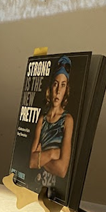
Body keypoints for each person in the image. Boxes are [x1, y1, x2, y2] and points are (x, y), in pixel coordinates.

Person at [29, 56, 74, 192]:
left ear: (66, 89)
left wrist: (41, 157)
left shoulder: (67, 120)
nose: (58, 90)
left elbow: (61, 170)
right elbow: (31, 162)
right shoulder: (42, 119)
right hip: (35, 186)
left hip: (54, 191)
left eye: (63, 85)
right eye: (55, 84)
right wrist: (54, 153)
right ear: (50, 87)